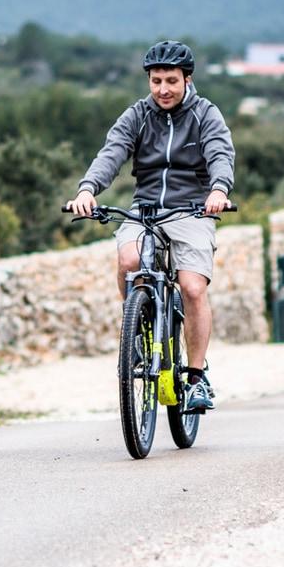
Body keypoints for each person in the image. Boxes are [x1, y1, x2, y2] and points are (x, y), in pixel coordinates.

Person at [67, 40, 234, 412]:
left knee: (192, 288)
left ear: (187, 79)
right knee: (128, 262)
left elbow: (221, 153)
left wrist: (219, 189)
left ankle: (195, 376)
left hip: (192, 210)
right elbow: (111, 152)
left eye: (171, 81)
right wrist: (87, 189)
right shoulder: (138, 115)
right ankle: (138, 331)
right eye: (156, 81)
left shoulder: (206, 114)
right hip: (144, 211)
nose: (162, 89)